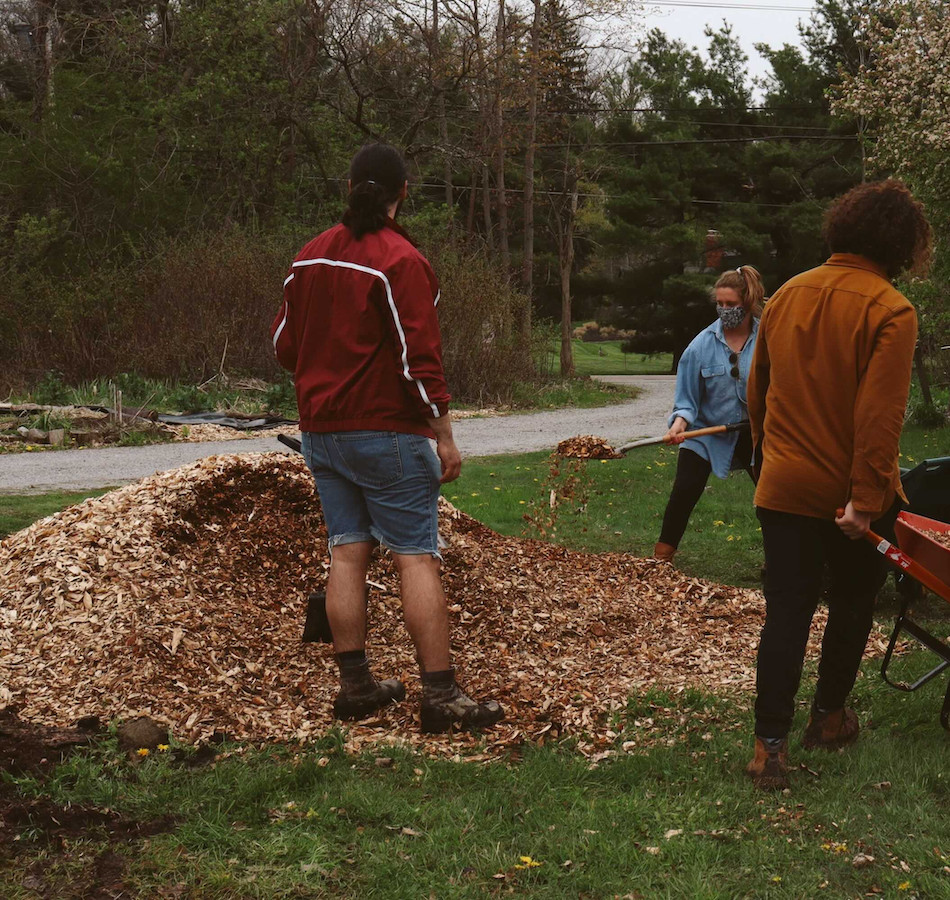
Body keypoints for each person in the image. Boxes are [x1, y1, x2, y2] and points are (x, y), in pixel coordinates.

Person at [270, 143, 504, 734]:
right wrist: (444, 436)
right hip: (386, 433)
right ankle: (441, 695)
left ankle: (356, 688)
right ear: (404, 193)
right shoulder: (401, 261)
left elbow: (284, 349)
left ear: (348, 187)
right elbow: (419, 360)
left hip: (321, 433)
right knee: (415, 555)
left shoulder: (308, 258)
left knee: (347, 550)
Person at [745, 179, 931, 790]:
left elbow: (759, 394)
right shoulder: (892, 310)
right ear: (901, 243)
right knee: (851, 604)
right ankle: (828, 719)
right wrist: (865, 500)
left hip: (785, 485)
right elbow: (879, 420)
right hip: (850, 495)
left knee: (787, 611)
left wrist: (769, 459)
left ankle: (767, 747)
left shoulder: (786, 296)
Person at [653, 266, 766, 565]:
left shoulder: (768, 340)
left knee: (772, 499)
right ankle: (660, 559)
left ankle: (780, 562)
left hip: (754, 432)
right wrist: (678, 426)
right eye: (720, 304)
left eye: (731, 305)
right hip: (707, 431)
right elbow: (686, 402)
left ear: (747, 302)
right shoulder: (700, 346)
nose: (724, 310)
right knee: (684, 490)